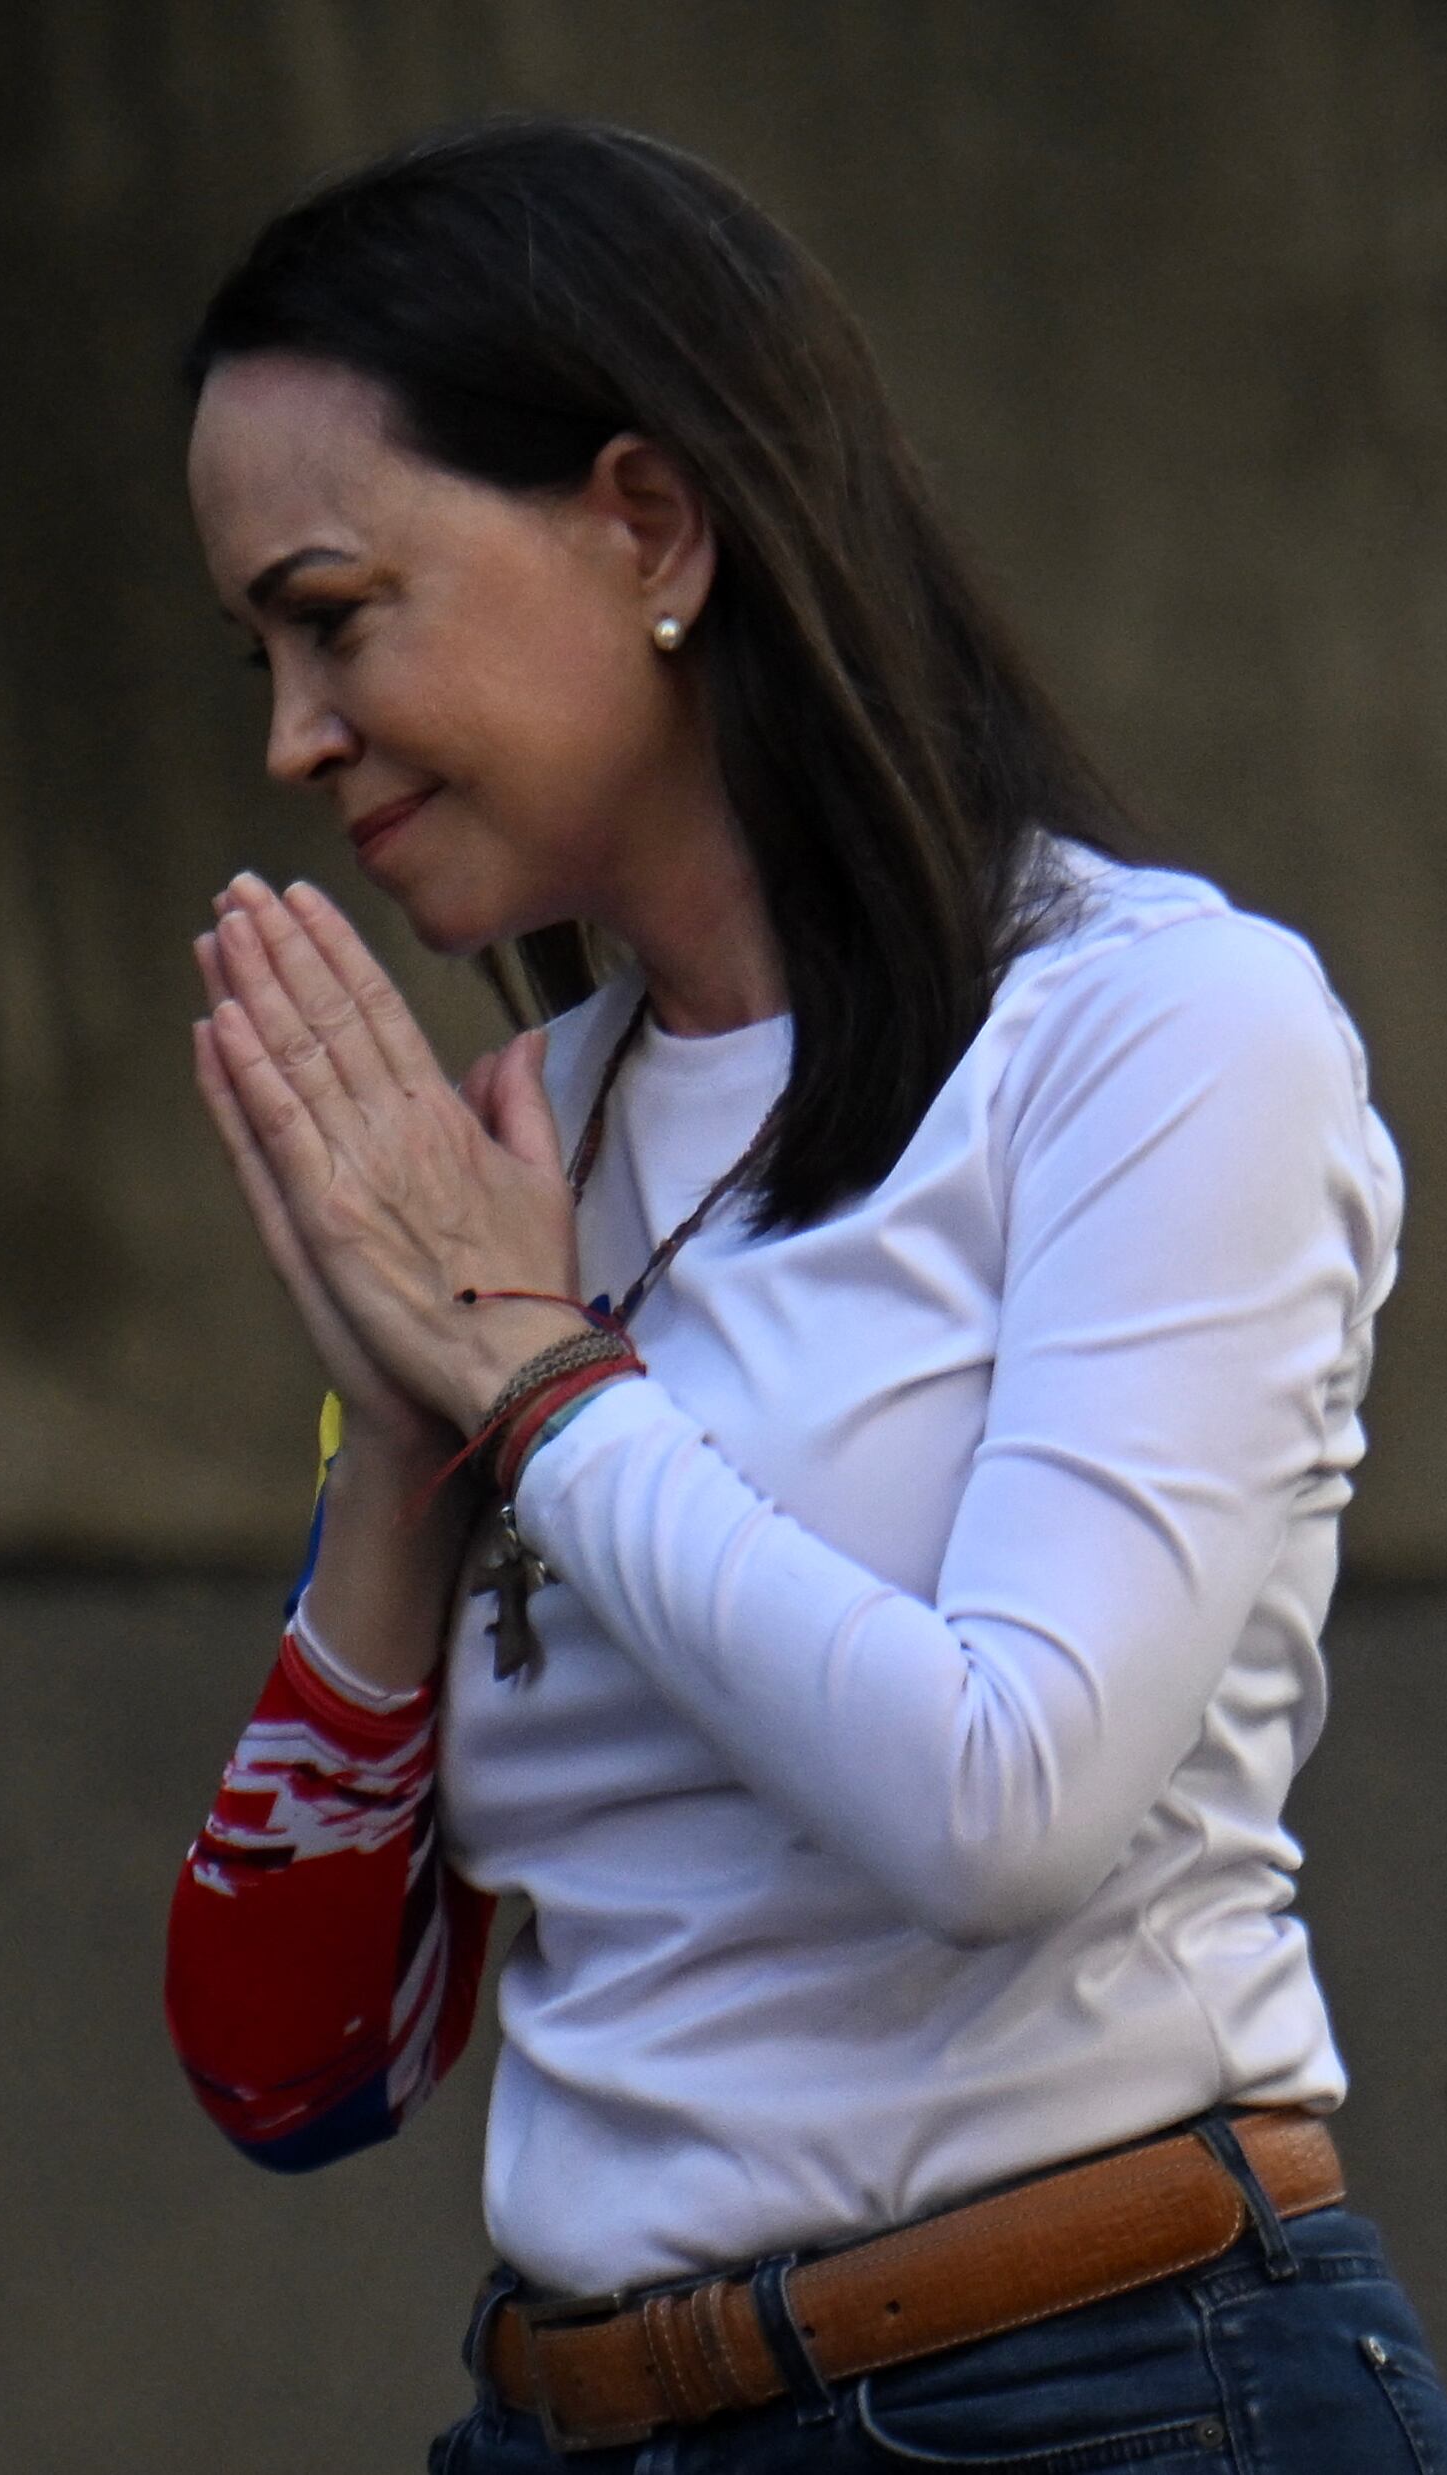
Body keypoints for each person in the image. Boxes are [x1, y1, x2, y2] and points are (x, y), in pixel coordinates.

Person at [159, 118, 1444, 2470]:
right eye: (254, 647)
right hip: (564, 2413)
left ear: (649, 525)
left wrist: (540, 1384)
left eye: (337, 614)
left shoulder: (1161, 1033)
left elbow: (1001, 1802)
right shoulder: (509, 1160)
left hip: (1109, 2393)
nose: (290, 735)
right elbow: (285, 2059)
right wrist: (406, 1452)